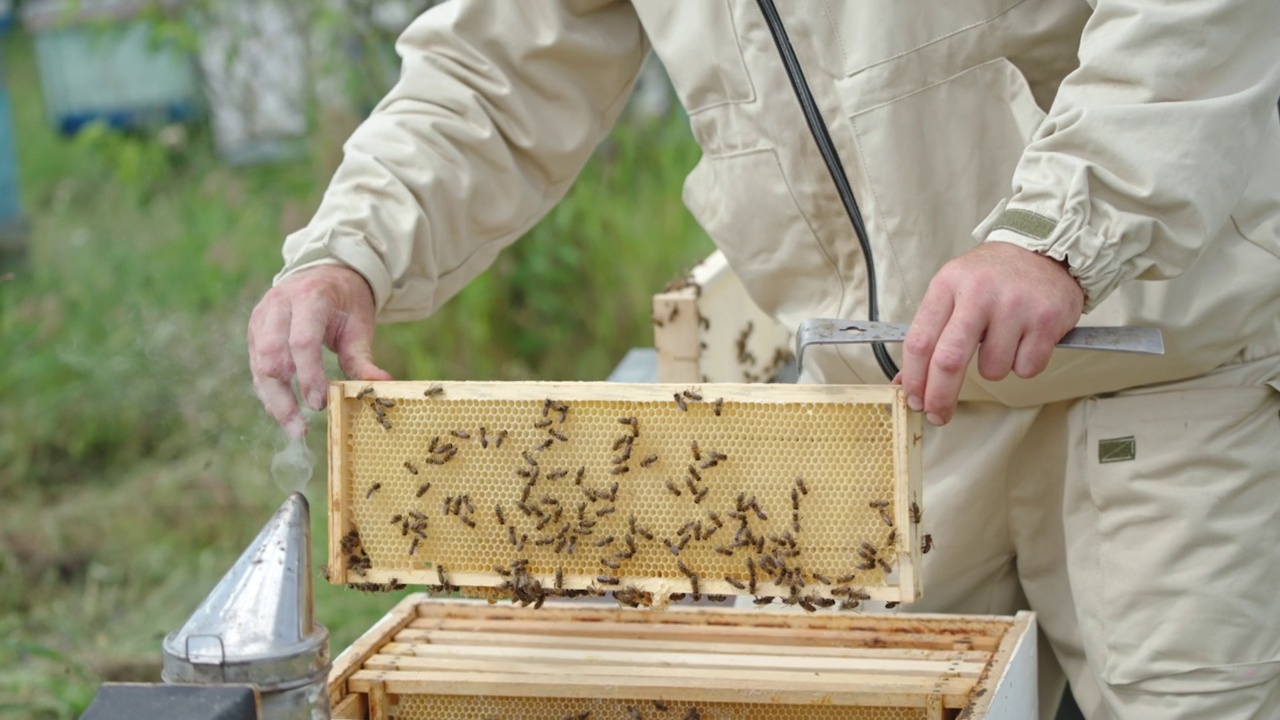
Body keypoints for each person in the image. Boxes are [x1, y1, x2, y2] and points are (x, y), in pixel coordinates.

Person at [247, 2, 1280, 718]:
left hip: (1160, 365)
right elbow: (492, 70)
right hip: (890, 409)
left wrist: (1060, 233)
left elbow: (1189, 15)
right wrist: (352, 249)